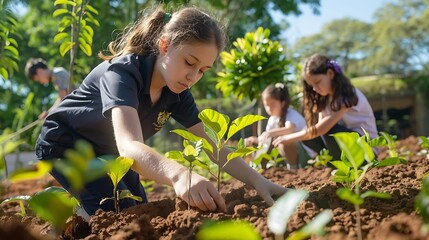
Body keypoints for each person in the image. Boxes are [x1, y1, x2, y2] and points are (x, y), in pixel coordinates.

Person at [35, 6, 287, 220]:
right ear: (164, 45)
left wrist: (258, 181)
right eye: (190, 62)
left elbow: (215, 146)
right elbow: (129, 145)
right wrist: (180, 174)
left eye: (203, 70)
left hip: (106, 151)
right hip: (65, 144)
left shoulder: (177, 92)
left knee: (141, 211)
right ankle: (73, 219)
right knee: (116, 214)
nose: (193, 76)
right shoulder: (123, 73)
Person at [273, 53, 379, 161]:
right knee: (308, 136)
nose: (315, 89)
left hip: (367, 150)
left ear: (330, 73)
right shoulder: (326, 98)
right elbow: (318, 128)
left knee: (327, 130)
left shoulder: (347, 95)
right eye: (311, 86)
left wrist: (289, 137)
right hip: (348, 146)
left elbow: (323, 129)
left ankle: (349, 165)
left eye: (317, 82)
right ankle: (336, 165)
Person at [245, 83, 315, 169]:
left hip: (306, 155)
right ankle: (259, 168)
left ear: (282, 103)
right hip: (288, 156)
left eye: (273, 104)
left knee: (285, 141)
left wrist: (270, 133)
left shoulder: (291, 114)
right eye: (266, 105)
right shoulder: (272, 119)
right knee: (271, 143)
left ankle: (293, 169)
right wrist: (254, 140)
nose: (269, 108)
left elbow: (289, 129)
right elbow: (265, 140)